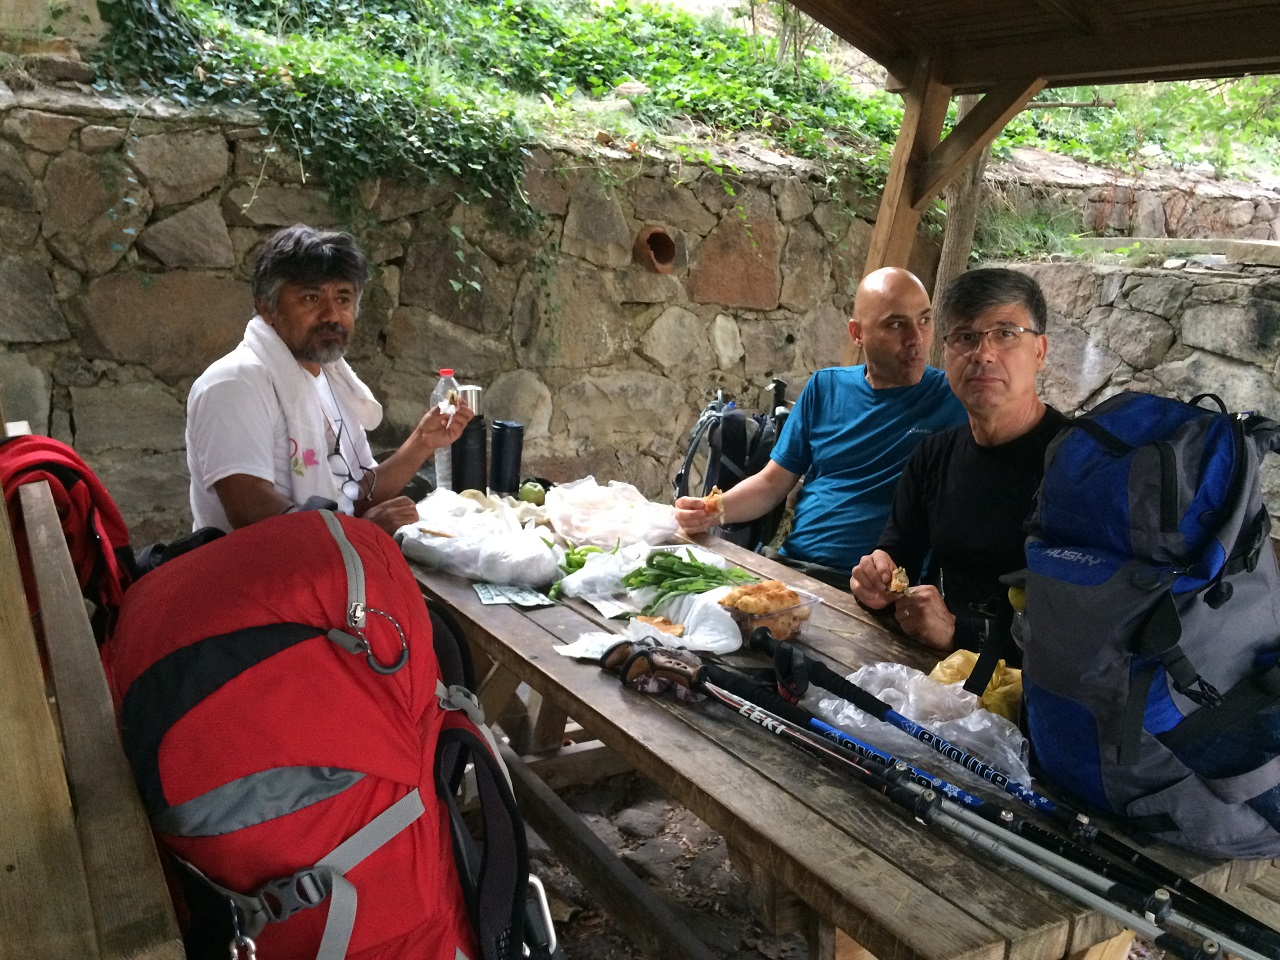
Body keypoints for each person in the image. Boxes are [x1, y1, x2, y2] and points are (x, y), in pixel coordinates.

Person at [673, 267, 966, 583]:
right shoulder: (825, 388)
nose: (916, 339)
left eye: (925, 320)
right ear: (857, 333)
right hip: (792, 566)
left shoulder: (956, 401)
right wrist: (710, 510)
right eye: (896, 324)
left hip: (875, 588)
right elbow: (772, 483)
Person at [186, 224, 472, 535]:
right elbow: (250, 512)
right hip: (256, 566)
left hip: (327, 554)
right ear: (266, 307)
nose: (332, 315)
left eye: (343, 299)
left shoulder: (331, 379)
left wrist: (422, 441)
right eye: (311, 298)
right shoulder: (234, 384)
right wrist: (356, 534)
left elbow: (355, 494)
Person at [849, 267, 1069, 669]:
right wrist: (875, 579)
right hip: (935, 671)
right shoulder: (934, 456)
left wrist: (959, 631)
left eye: (1005, 333)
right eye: (965, 337)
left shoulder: (1079, 464)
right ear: (946, 352)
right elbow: (897, 555)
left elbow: (1086, 629)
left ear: (1040, 350)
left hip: (1039, 691)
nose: (983, 354)